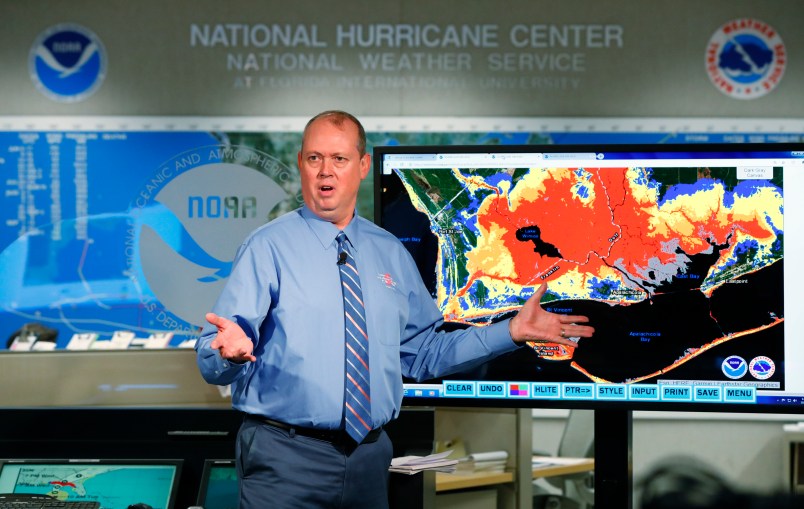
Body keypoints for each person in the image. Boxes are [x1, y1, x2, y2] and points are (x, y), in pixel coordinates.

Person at [195, 110, 595, 509]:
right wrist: (224, 353)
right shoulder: (266, 248)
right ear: (301, 163)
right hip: (284, 458)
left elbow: (425, 354)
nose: (325, 172)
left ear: (363, 166)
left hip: (370, 458)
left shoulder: (389, 252)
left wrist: (510, 331)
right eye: (314, 159)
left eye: (339, 159)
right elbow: (214, 350)